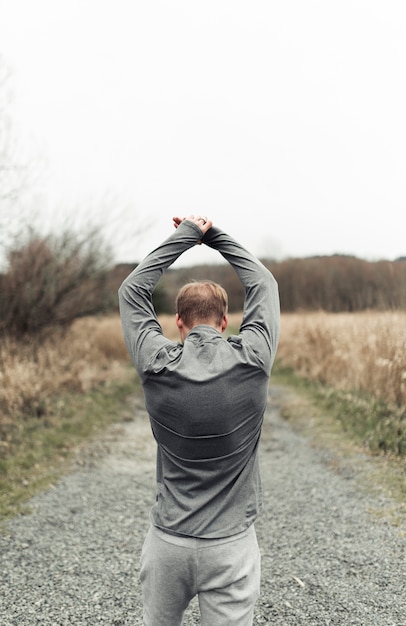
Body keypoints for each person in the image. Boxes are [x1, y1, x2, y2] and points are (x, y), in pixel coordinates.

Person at [118, 214, 280, 626]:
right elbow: (264, 284)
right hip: (231, 546)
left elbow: (132, 290)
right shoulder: (254, 358)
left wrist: (187, 235)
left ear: (178, 323)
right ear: (225, 322)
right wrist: (216, 236)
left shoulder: (157, 362)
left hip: (167, 543)